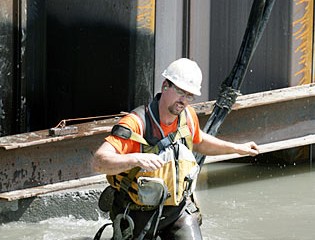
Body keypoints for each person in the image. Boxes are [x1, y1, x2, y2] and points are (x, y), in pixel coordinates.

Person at [92, 58, 259, 240]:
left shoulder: (187, 117)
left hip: (177, 211)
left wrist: (236, 148)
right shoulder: (136, 124)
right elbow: (99, 162)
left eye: (189, 96)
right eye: (180, 92)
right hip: (136, 213)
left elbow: (199, 141)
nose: (184, 100)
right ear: (165, 85)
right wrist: (136, 159)